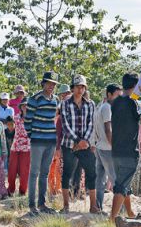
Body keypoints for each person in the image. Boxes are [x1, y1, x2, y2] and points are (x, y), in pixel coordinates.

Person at [110, 72, 141, 221]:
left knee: (124, 183)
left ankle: (130, 213)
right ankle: (112, 219)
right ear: (137, 86)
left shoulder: (115, 102)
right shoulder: (133, 103)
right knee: (121, 186)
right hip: (129, 151)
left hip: (116, 150)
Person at [59, 74, 98, 214]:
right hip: (69, 143)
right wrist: (77, 141)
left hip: (84, 144)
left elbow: (91, 124)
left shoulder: (90, 104)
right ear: (72, 88)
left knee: (92, 172)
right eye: (77, 86)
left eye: (82, 86)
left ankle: (93, 206)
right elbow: (65, 125)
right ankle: (66, 206)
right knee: (67, 173)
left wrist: (84, 141)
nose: (80, 89)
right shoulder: (65, 103)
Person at [25, 71, 60, 215]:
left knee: (45, 173)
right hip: (38, 141)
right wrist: (32, 136)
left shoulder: (56, 99)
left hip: (51, 140)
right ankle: (32, 206)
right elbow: (27, 121)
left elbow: (55, 118)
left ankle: (42, 204)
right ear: (43, 83)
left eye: (53, 84)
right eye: (49, 83)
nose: (51, 86)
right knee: (34, 173)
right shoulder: (35, 98)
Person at [94, 83, 122, 211]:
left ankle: (97, 206)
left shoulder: (101, 106)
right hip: (107, 148)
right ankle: (121, 210)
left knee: (100, 180)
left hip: (100, 147)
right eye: (116, 96)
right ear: (109, 94)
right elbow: (108, 129)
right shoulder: (107, 108)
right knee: (116, 180)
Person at [48, 83, 72, 197]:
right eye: (63, 94)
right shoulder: (58, 109)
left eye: (67, 93)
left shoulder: (70, 108)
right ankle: (52, 189)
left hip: (63, 143)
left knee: (59, 167)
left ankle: (58, 189)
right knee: (53, 166)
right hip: (53, 141)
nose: (65, 95)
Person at [8, 97, 31, 196]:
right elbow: (10, 129)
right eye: (23, 105)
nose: (25, 107)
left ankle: (22, 192)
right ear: (21, 107)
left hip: (27, 148)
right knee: (12, 170)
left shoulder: (33, 119)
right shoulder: (15, 117)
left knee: (24, 171)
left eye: (27, 105)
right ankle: (11, 190)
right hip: (15, 146)